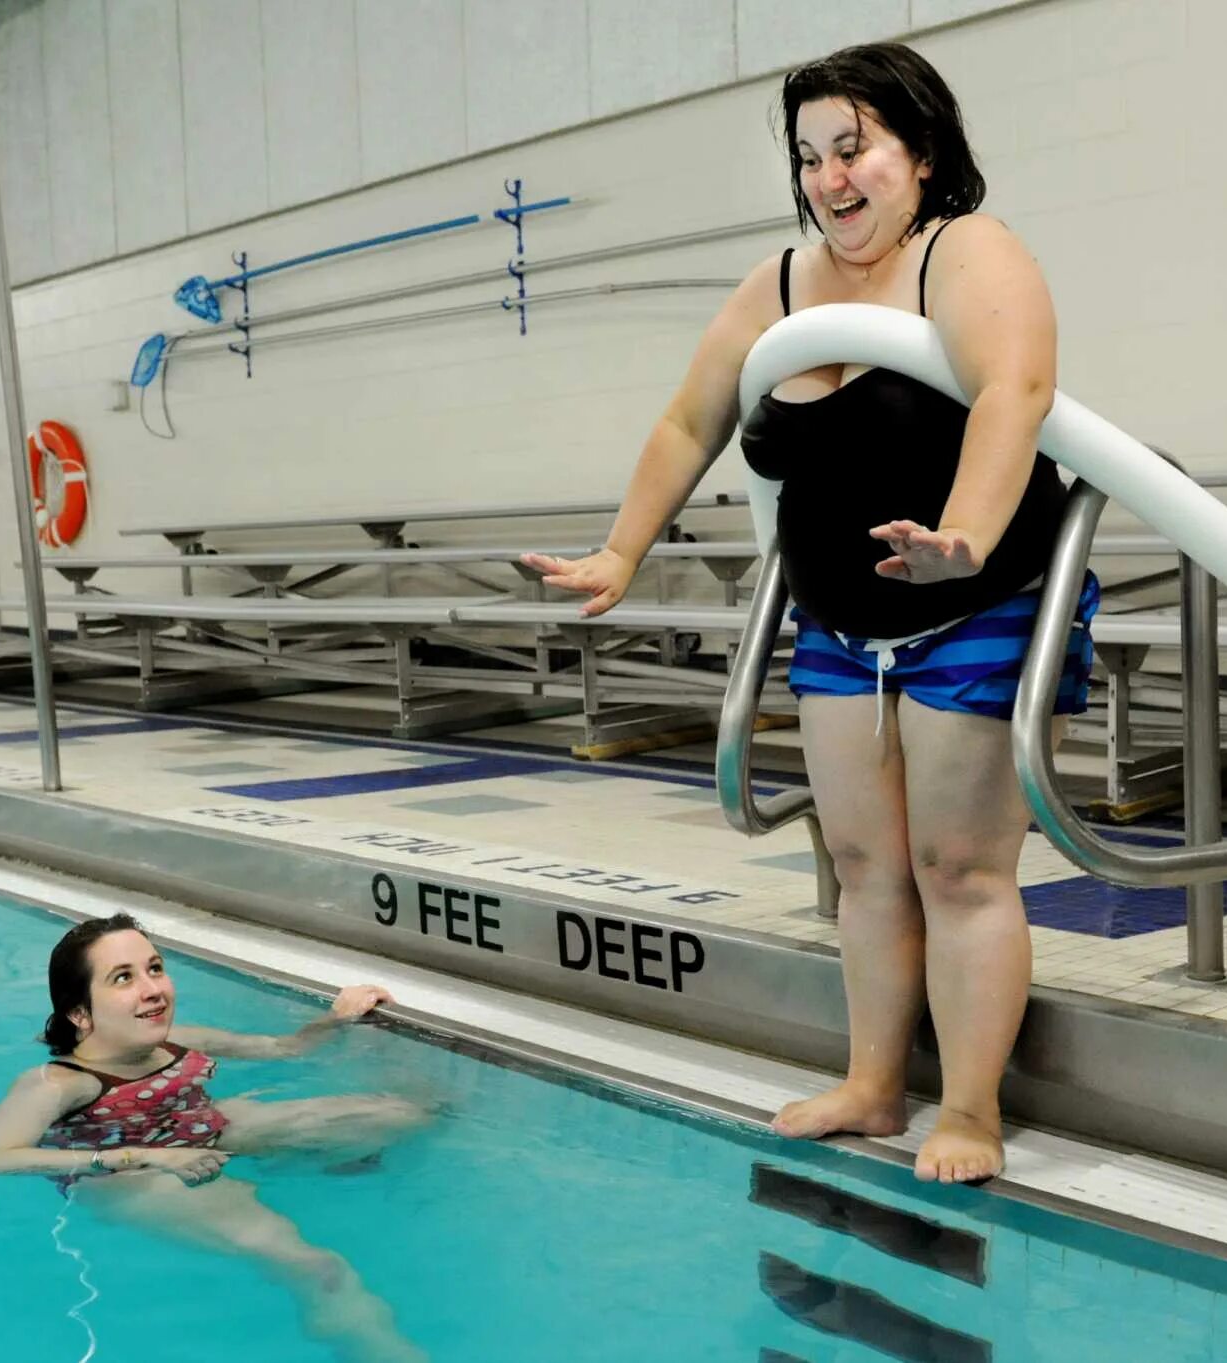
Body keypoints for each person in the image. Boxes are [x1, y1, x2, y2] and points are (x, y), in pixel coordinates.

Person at [522, 44, 1097, 1186]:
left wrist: (965, 537)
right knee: (861, 861)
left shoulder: (964, 253)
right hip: (837, 624)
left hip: (980, 600)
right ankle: (875, 1082)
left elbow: (1013, 393)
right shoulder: (780, 286)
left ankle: (972, 1111)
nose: (831, 179)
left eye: (854, 148)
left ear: (919, 155)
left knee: (958, 867)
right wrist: (620, 549)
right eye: (809, 157)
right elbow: (689, 422)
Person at [0, 914, 428, 1363]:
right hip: (136, 1177)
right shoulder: (60, 1083)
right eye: (123, 978)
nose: (152, 990)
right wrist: (137, 1157)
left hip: (202, 1131)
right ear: (79, 1013)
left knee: (402, 1115)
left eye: (155, 968)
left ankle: (299, 1165)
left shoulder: (177, 1042)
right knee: (317, 1267)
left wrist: (337, 1017)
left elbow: (284, 1048)